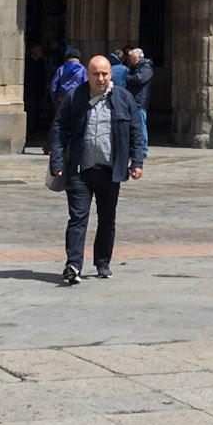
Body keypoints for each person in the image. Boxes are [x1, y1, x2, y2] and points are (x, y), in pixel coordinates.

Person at [50, 52, 147, 285]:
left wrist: (137, 162)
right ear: (88, 75)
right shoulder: (75, 97)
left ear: (110, 74)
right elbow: (59, 128)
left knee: (107, 219)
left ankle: (103, 262)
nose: (100, 78)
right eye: (95, 74)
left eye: (104, 74)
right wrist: (56, 161)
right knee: (77, 218)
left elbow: (136, 130)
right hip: (80, 169)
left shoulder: (123, 98)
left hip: (110, 170)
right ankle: (73, 264)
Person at [125, 46, 154, 134]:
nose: (130, 61)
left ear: (139, 57)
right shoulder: (135, 67)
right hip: (133, 99)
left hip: (140, 100)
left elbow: (139, 79)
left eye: (132, 59)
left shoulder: (146, 66)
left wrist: (126, 77)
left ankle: (143, 143)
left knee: (141, 125)